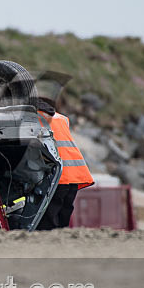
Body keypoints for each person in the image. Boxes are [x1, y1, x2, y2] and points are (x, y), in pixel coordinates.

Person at [36, 98, 95, 230]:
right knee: (63, 219)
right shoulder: (62, 118)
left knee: (47, 222)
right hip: (75, 174)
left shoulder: (33, 119)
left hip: (58, 177)